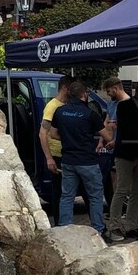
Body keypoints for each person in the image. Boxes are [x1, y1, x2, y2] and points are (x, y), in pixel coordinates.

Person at [51, 81, 113, 242]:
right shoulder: (89, 114)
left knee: (67, 196)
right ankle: (98, 229)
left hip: (68, 160)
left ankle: (65, 228)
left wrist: (68, 138)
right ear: (84, 95)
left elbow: (53, 134)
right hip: (88, 161)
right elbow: (107, 137)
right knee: (95, 196)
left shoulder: (59, 112)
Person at [103, 77, 138, 241]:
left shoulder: (126, 105)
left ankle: (130, 224)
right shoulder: (127, 105)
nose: (109, 95)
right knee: (123, 189)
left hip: (133, 150)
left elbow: (125, 129)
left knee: (135, 190)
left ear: (115, 88)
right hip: (128, 151)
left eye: (109, 91)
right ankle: (115, 225)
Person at [39, 75, 73, 221]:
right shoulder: (53, 106)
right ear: (65, 88)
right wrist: (49, 158)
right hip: (57, 155)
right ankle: (60, 223)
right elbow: (42, 133)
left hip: (66, 153)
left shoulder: (65, 105)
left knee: (65, 191)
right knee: (59, 191)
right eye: (72, 88)